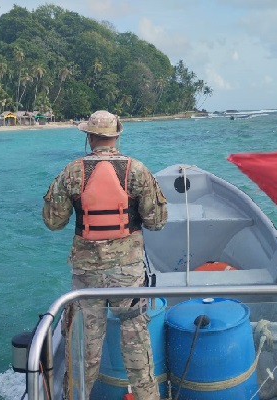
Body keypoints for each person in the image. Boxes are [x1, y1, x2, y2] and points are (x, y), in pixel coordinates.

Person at [43, 110, 168, 400]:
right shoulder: (136, 170)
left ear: (89, 137)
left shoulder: (72, 171)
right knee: (137, 347)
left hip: (87, 278)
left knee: (84, 353)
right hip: (128, 274)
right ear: (116, 137)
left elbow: (53, 221)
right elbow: (156, 221)